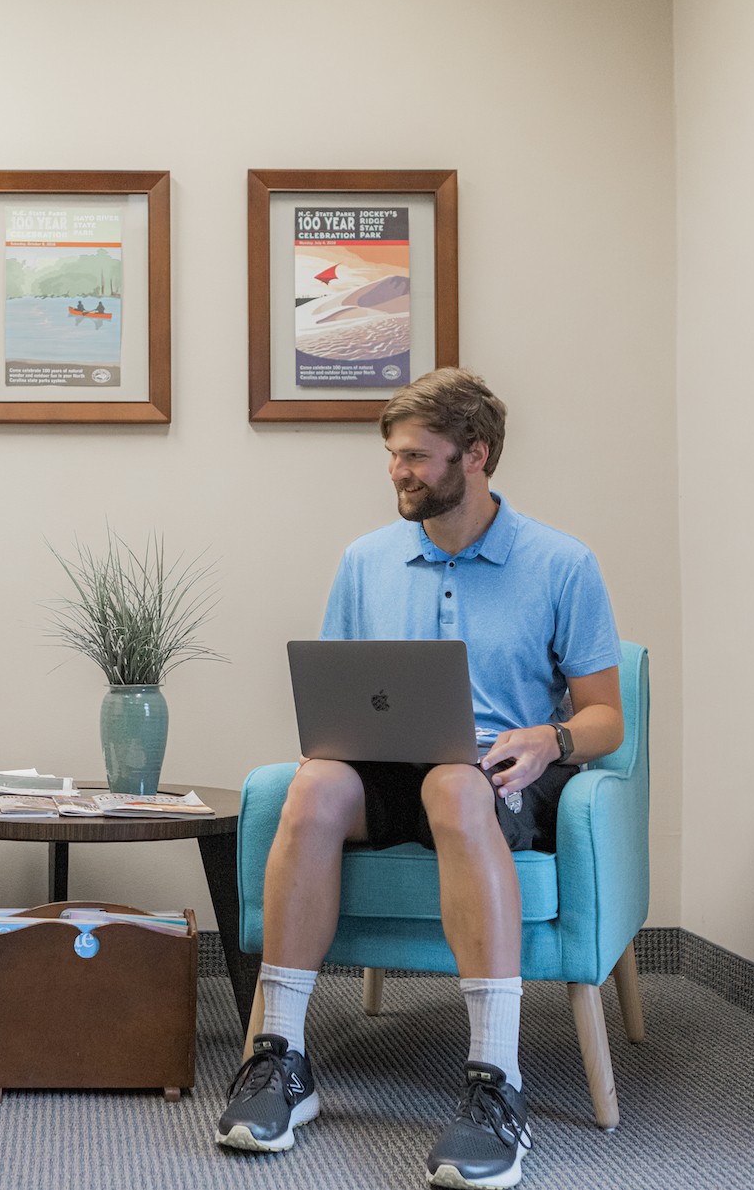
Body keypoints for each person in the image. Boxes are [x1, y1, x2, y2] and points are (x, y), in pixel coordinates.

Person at [215, 369, 623, 1189]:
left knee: (454, 785)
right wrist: (331, 745)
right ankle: (281, 1061)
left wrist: (550, 739)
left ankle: (494, 1082)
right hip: (389, 768)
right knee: (317, 785)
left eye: (415, 457)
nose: (398, 471)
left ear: (474, 455)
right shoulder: (365, 560)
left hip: (496, 779)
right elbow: (339, 696)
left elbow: (609, 717)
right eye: (393, 456)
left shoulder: (561, 563)